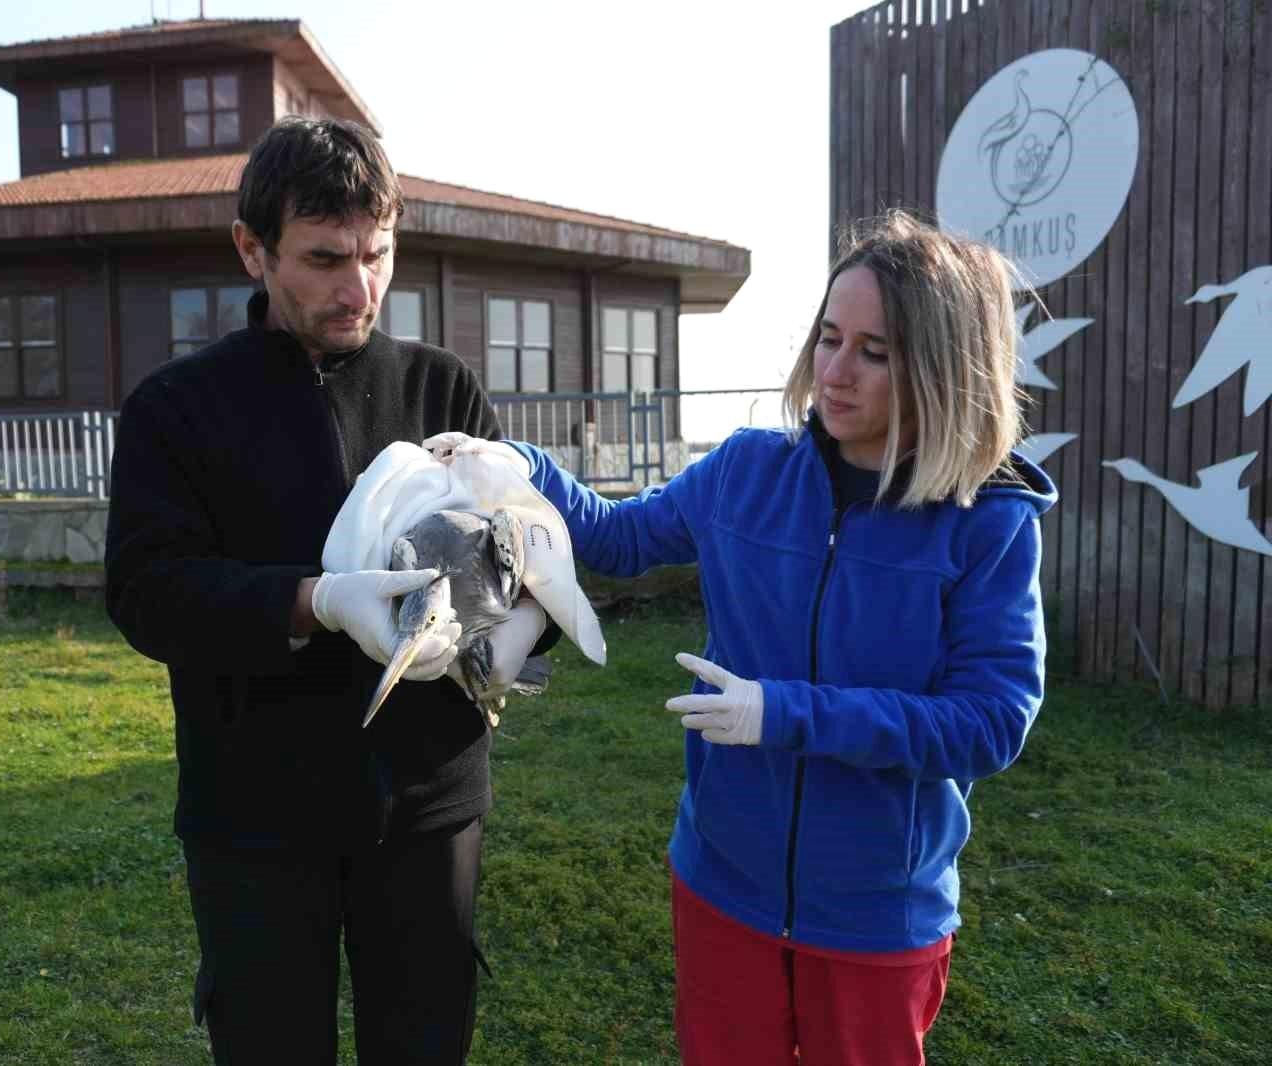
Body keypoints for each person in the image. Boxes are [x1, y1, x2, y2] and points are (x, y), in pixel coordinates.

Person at [429, 209, 1056, 1064]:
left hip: (877, 917)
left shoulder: (988, 523)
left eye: (875, 352)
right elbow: (619, 539)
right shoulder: (747, 472)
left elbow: (989, 724)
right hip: (722, 885)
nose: (835, 372)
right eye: (830, 336)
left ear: (948, 368)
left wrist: (785, 713)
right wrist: (524, 468)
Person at [103, 117, 547, 1065]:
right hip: (255, 815)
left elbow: (516, 552)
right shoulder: (176, 410)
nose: (360, 288)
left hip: (430, 805)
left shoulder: (444, 390)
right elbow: (147, 591)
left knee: (425, 1043)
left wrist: (520, 629)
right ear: (251, 250)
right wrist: (309, 602)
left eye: (378, 254)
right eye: (326, 258)